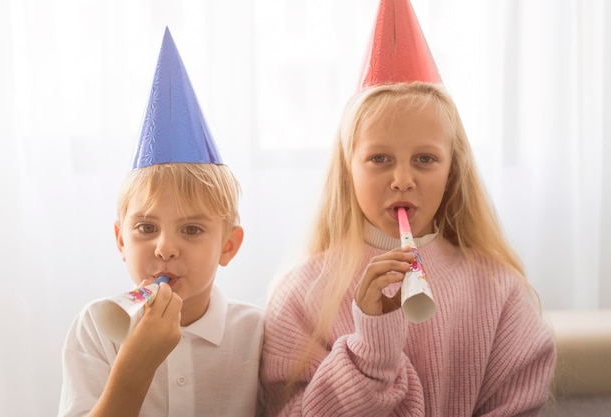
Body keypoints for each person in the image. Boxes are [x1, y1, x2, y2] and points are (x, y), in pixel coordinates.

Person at [260, 1, 556, 415]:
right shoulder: (299, 295)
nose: (402, 179)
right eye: (380, 159)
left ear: (453, 171)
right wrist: (371, 352)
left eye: (425, 159)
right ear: (348, 172)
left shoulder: (500, 292)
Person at [58, 27, 264, 417]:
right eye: (145, 228)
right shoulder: (95, 329)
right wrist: (136, 367)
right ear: (120, 241)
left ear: (229, 246)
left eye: (191, 229)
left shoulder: (257, 333)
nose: (165, 247)